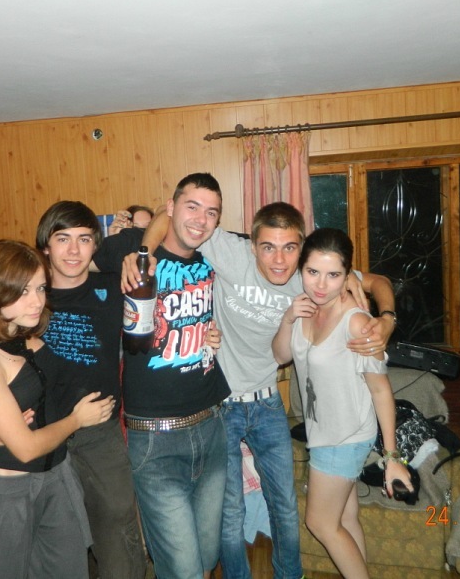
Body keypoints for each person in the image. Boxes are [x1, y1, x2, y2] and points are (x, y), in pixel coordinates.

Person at [131, 201, 396, 579]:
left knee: (285, 506)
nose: (279, 259)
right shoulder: (229, 251)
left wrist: (386, 319)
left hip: (268, 402)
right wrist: (143, 257)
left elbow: (379, 282)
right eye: (268, 247)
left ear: (301, 248)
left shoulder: (312, 275)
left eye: (289, 248)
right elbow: (170, 214)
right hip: (222, 405)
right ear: (251, 245)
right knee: (230, 512)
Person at [0, 239, 115, 579]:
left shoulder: (22, 331)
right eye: (23, 291)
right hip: (8, 490)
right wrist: (77, 420)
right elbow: (24, 448)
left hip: (56, 475)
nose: (37, 301)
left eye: (40, 288)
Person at [92, 173, 229, 579]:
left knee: (207, 558)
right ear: (171, 208)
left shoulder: (213, 258)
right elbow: (69, 266)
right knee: (184, 569)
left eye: (211, 213)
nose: (201, 220)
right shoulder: (130, 251)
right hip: (154, 440)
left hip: (211, 427)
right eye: (192, 207)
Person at [271, 228, 412, 579]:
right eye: (312, 272)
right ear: (301, 269)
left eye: (333, 275)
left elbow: (381, 391)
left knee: (320, 522)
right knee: (345, 519)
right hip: (323, 433)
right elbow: (281, 355)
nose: (321, 284)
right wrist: (289, 317)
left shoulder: (358, 323)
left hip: (345, 437)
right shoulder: (305, 306)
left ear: (348, 276)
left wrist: (392, 458)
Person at [33, 200, 147, 579]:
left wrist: (110, 255)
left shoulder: (111, 286)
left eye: (84, 240)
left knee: (117, 527)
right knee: (55, 540)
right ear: (45, 245)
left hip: (100, 432)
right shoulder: (30, 297)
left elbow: (145, 238)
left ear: (95, 246)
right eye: (62, 239)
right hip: (44, 434)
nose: (73, 250)